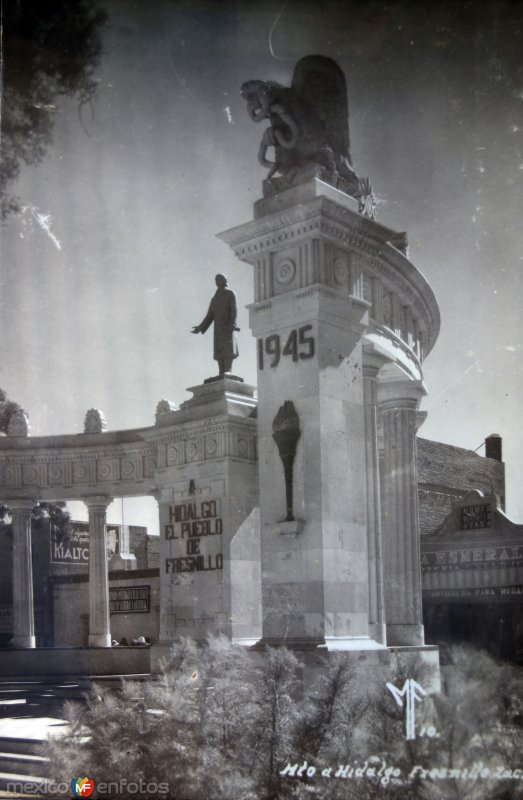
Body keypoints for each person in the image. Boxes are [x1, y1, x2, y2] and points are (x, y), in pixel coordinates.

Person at [192, 274, 239, 377]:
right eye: (216, 280)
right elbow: (209, 316)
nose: (217, 281)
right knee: (219, 350)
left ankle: (228, 370)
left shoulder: (230, 294)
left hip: (228, 327)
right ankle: (221, 371)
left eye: (219, 279)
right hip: (218, 329)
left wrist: (233, 323)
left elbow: (234, 309)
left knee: (228, 349)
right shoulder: (214, 299)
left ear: (224, 280)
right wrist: (200, 327)